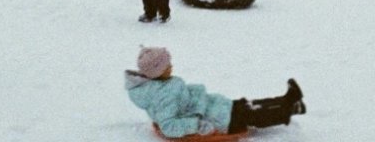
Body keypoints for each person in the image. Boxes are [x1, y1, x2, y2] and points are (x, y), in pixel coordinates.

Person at [125, 46, 306, 138]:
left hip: (211, 108)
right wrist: (197, 125)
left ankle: (286, 100)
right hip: (213, 120)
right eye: (167, 66)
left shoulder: (161, 85)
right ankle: (291, 109)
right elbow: (169, 126)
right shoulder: (163, 97)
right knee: (252, 114)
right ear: (156, 72)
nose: (171, 66)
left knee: (245, 105)